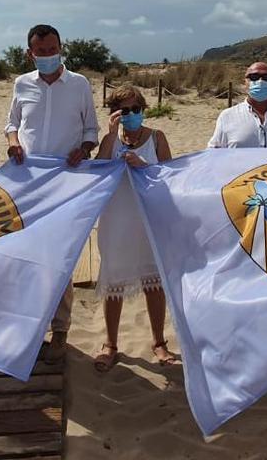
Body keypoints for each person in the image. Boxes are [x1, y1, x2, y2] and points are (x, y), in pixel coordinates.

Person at [5, 24, 99, 363]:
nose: (46, 55)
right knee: (26, 256)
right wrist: (14, 143)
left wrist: (84, 149)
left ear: (61, 48)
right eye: (40, 51)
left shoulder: (79, 84)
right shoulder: (21, 84)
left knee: (59, 259)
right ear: (30, 53)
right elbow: (11, 124)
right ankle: (28, 326)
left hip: (65, 183)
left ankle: (60, 330)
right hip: (27, 183)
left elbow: (91, 128)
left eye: (52, 49)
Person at [93, 85, 177, 372]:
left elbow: (172, 177)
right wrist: (110, 134)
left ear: (144, 109)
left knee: (153, 281)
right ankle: (111, 344)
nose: (131, 115)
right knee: (113, 280)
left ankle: (158, 341)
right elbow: (96, 172)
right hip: (116, 218)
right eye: (124, 111)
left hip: (148, 219)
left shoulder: (156, 138)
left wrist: (144, 166)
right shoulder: (111, 140)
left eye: (135, 110)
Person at [207, 62, 267, 149]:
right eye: (254, 77)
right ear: (245, 82)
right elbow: (212, 154)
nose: (260, 81)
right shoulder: (227, 117)